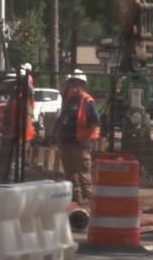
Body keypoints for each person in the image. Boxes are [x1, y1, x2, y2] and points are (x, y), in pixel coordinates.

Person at [55, 69, 101, 205]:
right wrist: (57, 135)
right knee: (70, 172)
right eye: (71, 83)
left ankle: (90, 199)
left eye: (76, 83)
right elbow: (62, 119)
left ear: (82, 85)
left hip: (80, 143)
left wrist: (88, 139)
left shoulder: (88, 101)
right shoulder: (69, 99)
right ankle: (76, 198)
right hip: (67, 142)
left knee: (83, 172)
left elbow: (95, 122)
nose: (73, 86)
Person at [0, 70, 35, 181]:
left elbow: (26, 119)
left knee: (16, 163)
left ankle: (14, 183)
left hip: (21, 136)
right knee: (11, 162)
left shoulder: (23, 98)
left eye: (10, 84)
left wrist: (20, 137)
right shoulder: (13, 98)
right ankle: (10, 182)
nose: (8, 86)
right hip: (12, 135)